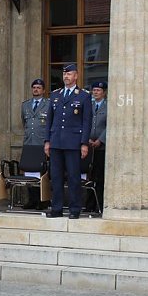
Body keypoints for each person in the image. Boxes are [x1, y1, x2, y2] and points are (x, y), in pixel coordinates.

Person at [44, 64, 92, 219]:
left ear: (76, 76)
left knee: (73, 177)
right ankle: (56, 208)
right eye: (64, 74)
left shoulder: (83, 95)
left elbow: (86, 121)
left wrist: (84, 143)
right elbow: (49, 120)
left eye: (69, 74)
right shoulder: (55, 95)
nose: (66, 76)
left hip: (73, 142)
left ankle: (74, 209)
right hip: (56, 141)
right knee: (56, 177)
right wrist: (47, 141)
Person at [87, 81, 107, 213]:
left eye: (98, 90)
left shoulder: (108, 106)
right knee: (89, 177)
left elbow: (109, 125)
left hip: (102, 147)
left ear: (104, 92)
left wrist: (101, 140)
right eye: (94, 90)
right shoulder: (89, 105)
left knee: (100, 177)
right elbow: (85, 122)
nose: (95, 92)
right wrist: (86, 139)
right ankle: (89, 204)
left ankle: (99, 204)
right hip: (88, 146)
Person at [21, 78, 50, 146]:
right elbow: (24, 122)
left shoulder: (48, 104)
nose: (35, 89)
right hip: (28, 141)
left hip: (42, 141)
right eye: (34, 87)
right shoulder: (25, 105)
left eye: (38, 88)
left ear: (43, 91)